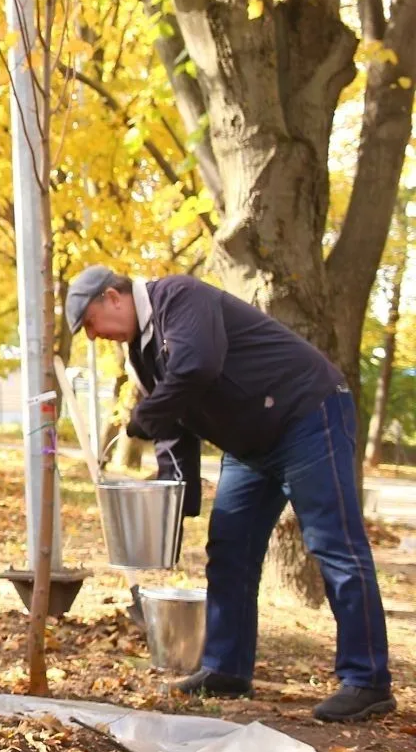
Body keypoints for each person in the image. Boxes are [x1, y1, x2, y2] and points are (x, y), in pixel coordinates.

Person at [68, 265, 396, 723]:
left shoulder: (179, 297)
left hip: (306, 414)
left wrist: (146, 413)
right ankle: (227, 667)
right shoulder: (140, 355)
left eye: (89, 323)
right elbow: (171, 430)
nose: (93, 336)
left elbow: (197, 365)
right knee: (230, 550)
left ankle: (367, 680)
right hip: (249, 445)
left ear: (112, 297)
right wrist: (170, 509)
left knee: (334, 544)